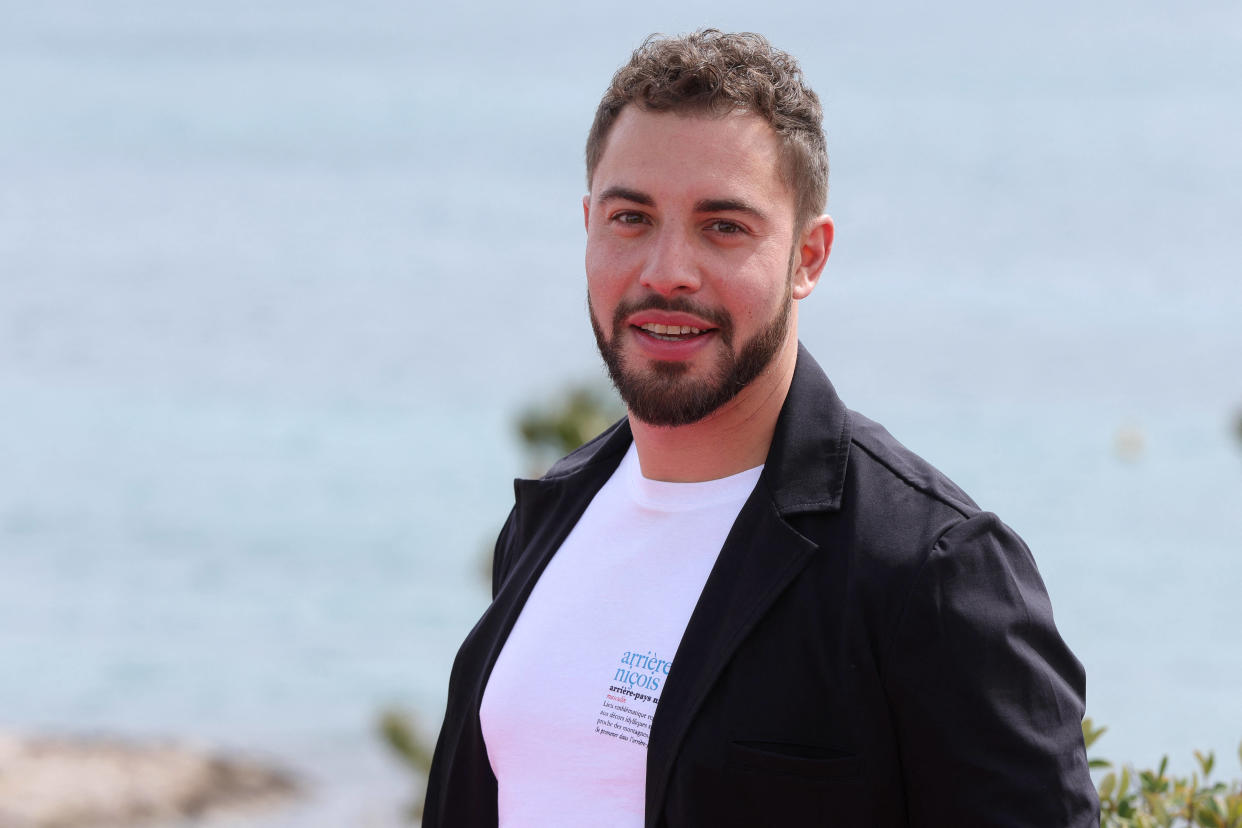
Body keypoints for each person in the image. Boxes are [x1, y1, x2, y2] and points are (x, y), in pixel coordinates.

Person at [423, 29, 1097, 827]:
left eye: (724, 227)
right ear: (588, 226)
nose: (667, 270)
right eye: (631, 218)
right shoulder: (550, 515)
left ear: (807, 256)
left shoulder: (930, 571)